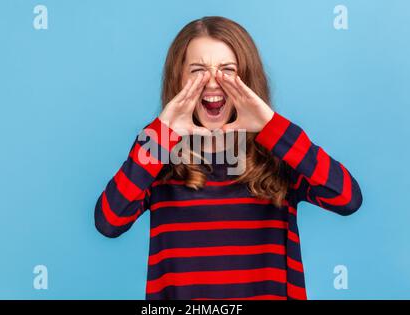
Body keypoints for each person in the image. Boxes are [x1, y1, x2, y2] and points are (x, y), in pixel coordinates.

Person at [94, 16, 363, 300]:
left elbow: (347, 198)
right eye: (197, 71)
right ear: (178, 80)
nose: (212, 83)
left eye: (228, 71)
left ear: (247, 80)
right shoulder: (156, 155)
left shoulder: (279, 154)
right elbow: (109, 222)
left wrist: (272, 127)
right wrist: (160, 134)